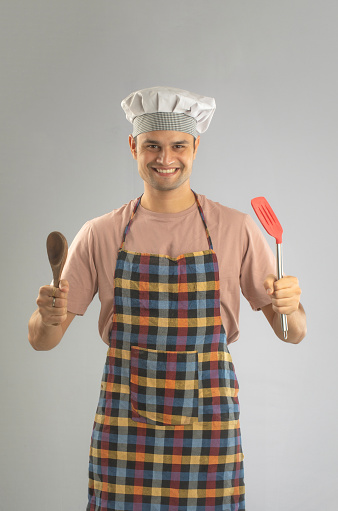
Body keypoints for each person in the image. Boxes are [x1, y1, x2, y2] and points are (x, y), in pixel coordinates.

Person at [28, 86, 307, 511]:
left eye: (178, 145)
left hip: (209, 421)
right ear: (133, 147)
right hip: (125, 422)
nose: (165, 158)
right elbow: (42, 340)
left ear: (195, 146)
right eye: (152, 146)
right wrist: (47, 316)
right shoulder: (100, 233)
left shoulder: (237, 228)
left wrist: (291, 307)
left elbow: (291, 334)